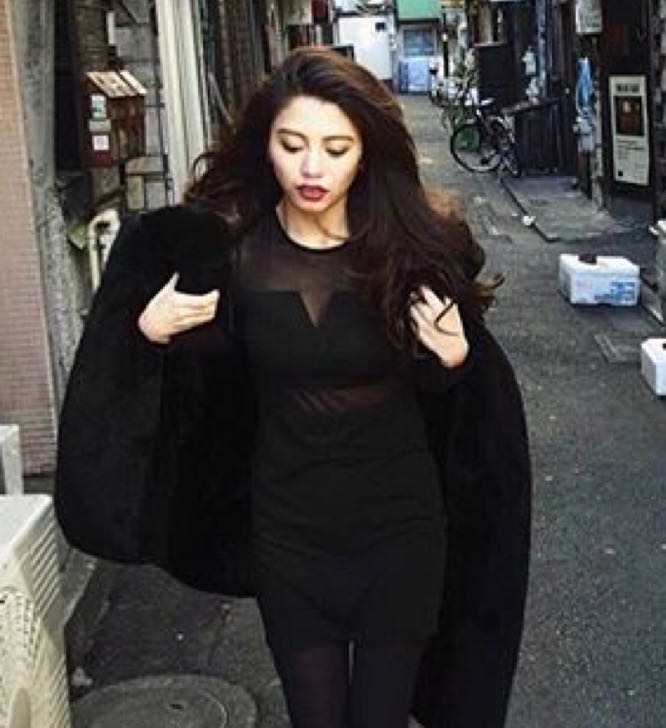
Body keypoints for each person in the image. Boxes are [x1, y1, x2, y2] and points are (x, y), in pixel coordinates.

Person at [54, 48, 532, 728]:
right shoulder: (228, 254)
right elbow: (197, 401)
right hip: (289, 541)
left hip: (401, 537)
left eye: (336, 149)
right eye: (292, 145)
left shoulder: (411, 250)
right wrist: (147, 337)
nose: (312, 168)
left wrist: (456, 362)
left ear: (364, 154)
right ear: (266, 145)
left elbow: (464, 417)